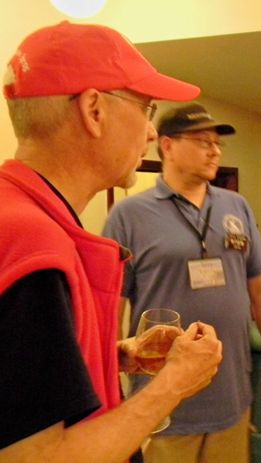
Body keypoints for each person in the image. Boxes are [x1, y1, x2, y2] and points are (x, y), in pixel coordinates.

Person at [0, 21, 223, 463]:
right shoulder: (33, 245)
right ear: (94, 110)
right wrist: (175, 382)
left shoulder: (25, 216)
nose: (150, 134)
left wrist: (115, 355)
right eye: (147, 108)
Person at [102, 103, 261, 463]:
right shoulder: (129, 215)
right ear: (168, 146)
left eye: (217, 143)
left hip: (231, 396)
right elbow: (111, 305)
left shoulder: (237, 207)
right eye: (203, 141)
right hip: (163, 403)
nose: (215, 150)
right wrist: (108, 382)